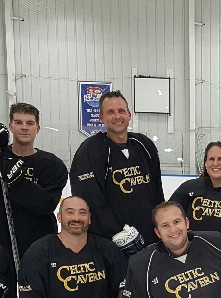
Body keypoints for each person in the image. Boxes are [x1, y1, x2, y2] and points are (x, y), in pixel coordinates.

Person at [0, 102, 68, 258]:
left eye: (30, 123)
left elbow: (46, 204)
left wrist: (16, 181)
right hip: (1, 242)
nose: (24, 127)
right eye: (18, 122)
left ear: (37, 128)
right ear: (10, 126)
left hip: (41, 246)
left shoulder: (51, 164)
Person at [70, 90, 164, 256]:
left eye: (121, 111)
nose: (117, 116)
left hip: (150, 237)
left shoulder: (144, 145)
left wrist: (161, 224)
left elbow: (157, 190)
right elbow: (89, 198)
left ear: (129, 115)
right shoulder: (90, 150)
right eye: (110, 112)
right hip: (110, 244)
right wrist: (117, 234)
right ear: (101, 117)